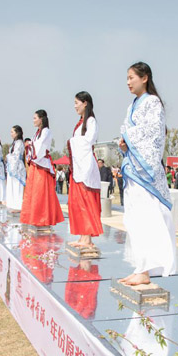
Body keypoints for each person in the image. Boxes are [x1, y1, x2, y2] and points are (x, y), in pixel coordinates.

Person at [118, 62, 176, 286]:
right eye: (127, 78)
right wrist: (125, 143)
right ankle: (139, 267)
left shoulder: (153, 102)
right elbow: (128, 130)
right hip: (133, 169)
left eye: (131, 77)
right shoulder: (132, 105)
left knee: (146, 217)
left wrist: (128, 136)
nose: (128, 82)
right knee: (134, 219)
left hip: (145, 171)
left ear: (145, 78)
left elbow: (152, 132)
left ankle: (146, 269)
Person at [67, 91, 103, 249]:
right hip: (78, 167)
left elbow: (89, 141)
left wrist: (72, 141)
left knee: (86, 201)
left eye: (77, 102)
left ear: (85, 103)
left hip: (86, 166)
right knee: (78, 203)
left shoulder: (91, 121)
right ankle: (82, 236)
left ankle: (87, 239)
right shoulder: (80, 122)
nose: (75, 106)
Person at [20, 110, 65, 227]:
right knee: (33, 192)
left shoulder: (46, 131)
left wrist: (30, 144)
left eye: (35, 118)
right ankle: (35, 218)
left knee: (41, 192)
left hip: (42, 164)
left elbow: (39, 147)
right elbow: (35, 146)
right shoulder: (38, 132)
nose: (33, 120)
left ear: (41, 119)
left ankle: (43, 219)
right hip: (36, 164)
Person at [5, 125, 26, 211]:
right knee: (12, 187)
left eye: (12, 132)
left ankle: (18, 206)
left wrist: (8, 156)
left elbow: (16, 156)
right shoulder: (14, 143)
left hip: (17, 167)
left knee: (17, 187)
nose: (11, 134)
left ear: (17, 133)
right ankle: (13, 204)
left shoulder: (20, 143)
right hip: (12, 166)